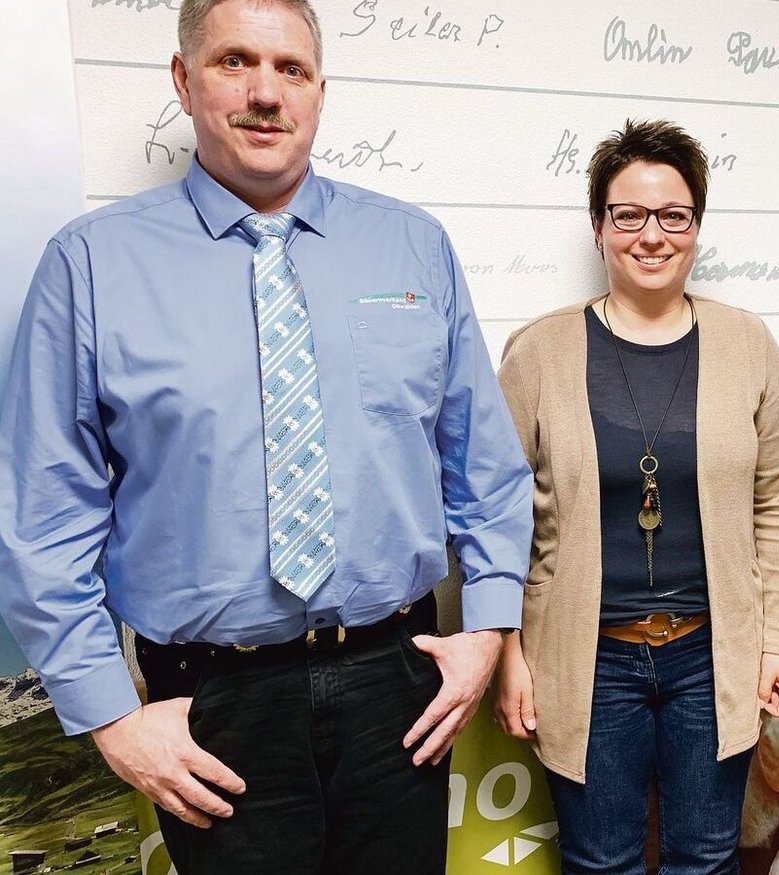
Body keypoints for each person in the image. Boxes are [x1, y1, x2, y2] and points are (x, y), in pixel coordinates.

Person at [0, 1, 532, 872]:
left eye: (290, 69)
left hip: (399, 685)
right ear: (183, 80)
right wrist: (110, 716)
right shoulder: (89, 265)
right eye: (233, 62)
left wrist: (487, 631)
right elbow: (43, 518)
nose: (264, 93)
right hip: (210, 706)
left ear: (320, 91)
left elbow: (486, 468)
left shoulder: (413, 247)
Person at [492, 119, 779, 874]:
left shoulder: (747, 343)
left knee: (705, 857)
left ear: (696, 226)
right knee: (601, 859)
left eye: (674, 215)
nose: (652, 234)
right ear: (599, 225)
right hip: (587, 658)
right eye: (628, 214)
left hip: (712, 654)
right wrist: (506, 648)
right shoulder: (538, 352)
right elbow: (494, 510)